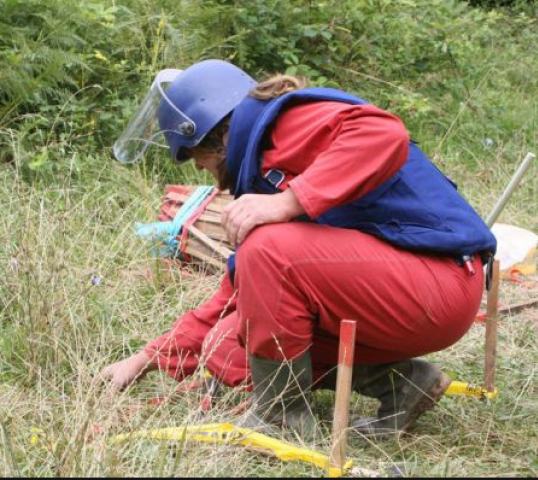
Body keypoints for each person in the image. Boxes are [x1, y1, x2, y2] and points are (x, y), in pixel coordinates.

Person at [104, 59, 497, 436]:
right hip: (400, 288)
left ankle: (282, 419)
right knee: (225, 343)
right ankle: (402, 384)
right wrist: (146, 358)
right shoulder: (262, 167)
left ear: (216, 136)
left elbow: (383, 133)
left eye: (195, 156)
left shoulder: (284, 123)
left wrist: (289, 202)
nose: (196, 168)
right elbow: (237, 293)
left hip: (440, 279)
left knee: (267, 248)